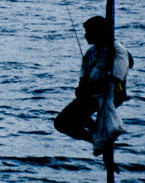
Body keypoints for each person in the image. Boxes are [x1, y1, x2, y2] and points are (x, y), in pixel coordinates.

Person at [54, 15, 133, 154]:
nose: (85, 36)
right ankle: (96, 138)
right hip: (92, 95)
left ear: (98, 32)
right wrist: (81, 89)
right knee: (61, 123)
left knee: (80, 115)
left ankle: (100, 138)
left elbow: (116, 79)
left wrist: (89, 89)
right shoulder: (90, 52)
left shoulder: (117, 50)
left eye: (88, 32)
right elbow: (83, 79)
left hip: (112, 94)